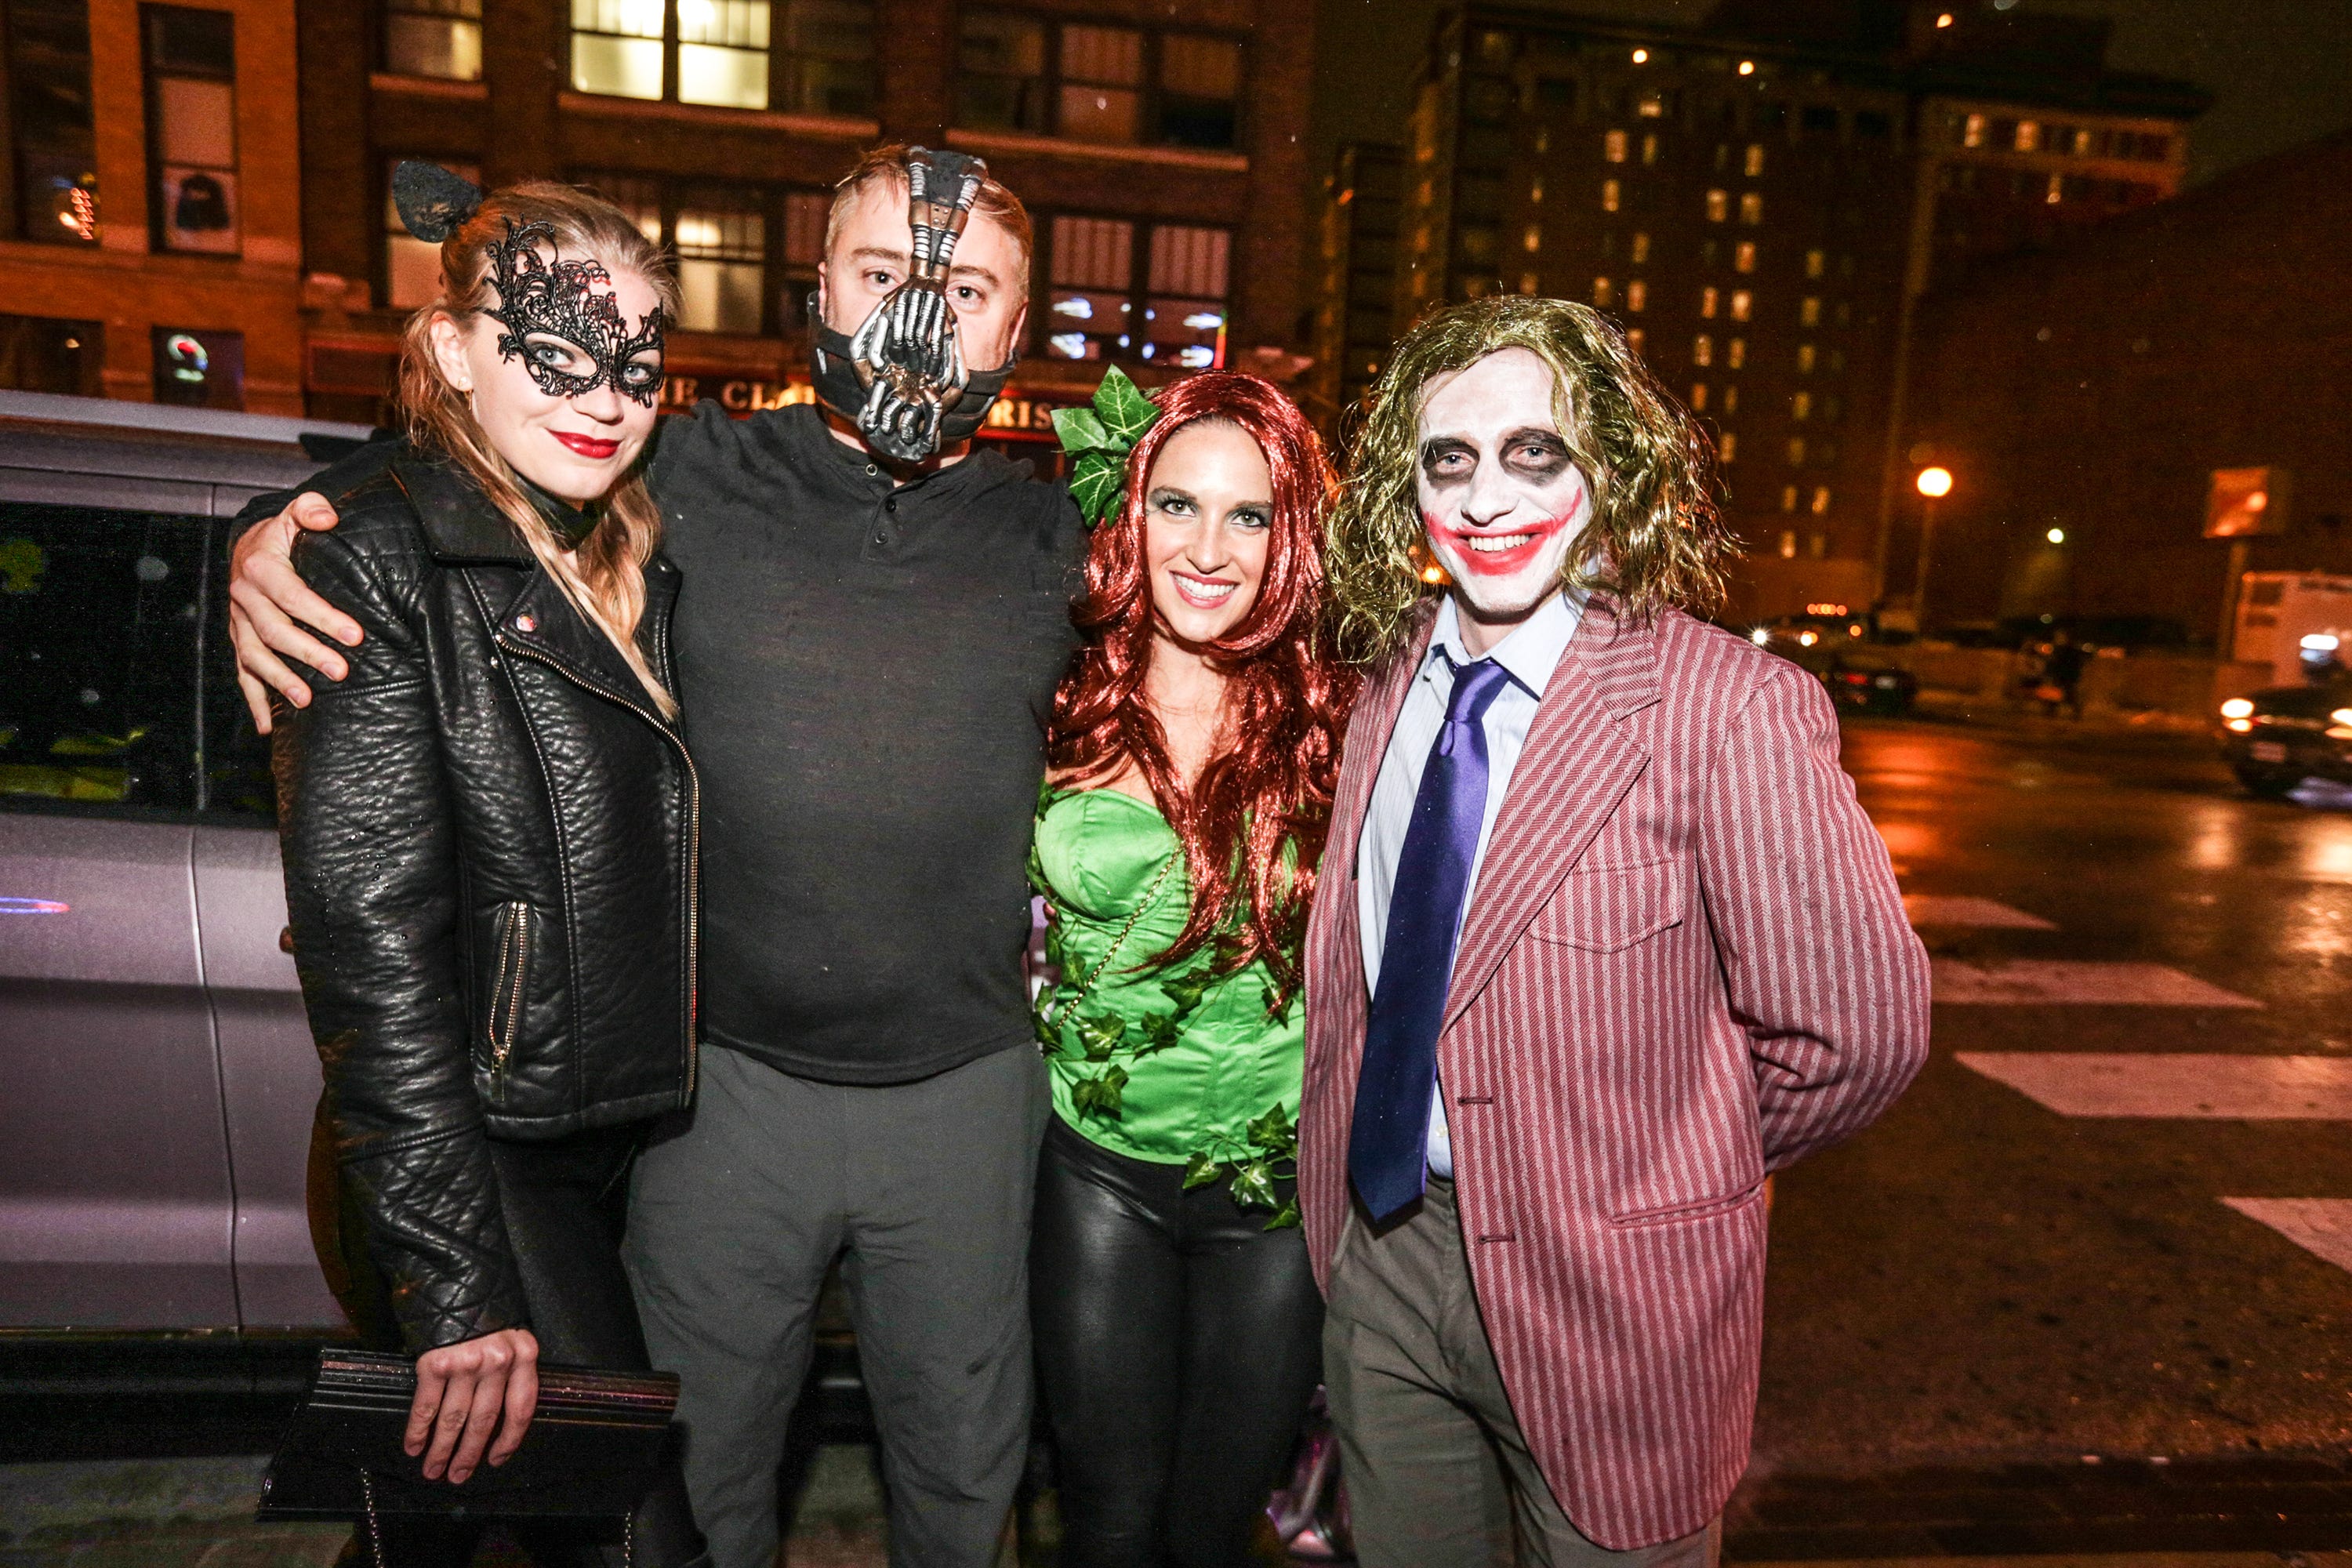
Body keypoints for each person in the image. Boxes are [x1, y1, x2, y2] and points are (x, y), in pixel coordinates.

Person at [227, 147, 1083, 1568]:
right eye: (880, 277)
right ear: (817, 288)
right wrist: (272, 548)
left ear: (1017, 327)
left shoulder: (1065, 534)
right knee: (691, 1472)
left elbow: (1247, 602)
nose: (919, 323)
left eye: (969, 289)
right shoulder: (674, 469)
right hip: (716, 1090)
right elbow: (457, 479)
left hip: (971, 1095)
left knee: (967, 1471)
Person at [1300, 295, 1933, 1568]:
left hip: (1618, 1314)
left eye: (1536, 451)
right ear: (1403, 491)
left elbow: (1858, 1037)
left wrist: (1655, 1173)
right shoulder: (1383, 685)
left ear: (1610, 471)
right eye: (1450, 459)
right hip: (1381, 1265)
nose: (1488, 497)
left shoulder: (1728, 706)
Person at [270, 169, 706, 1566]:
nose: (606, 395)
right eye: (559, 354)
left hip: (580, 1144)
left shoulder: (623, 552)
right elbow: (372, 955)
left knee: (434, 1529)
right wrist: (453, 1285)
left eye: (637, 362)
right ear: (455, 350)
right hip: (477, 1157)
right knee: (635, 1533)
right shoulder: (374, 555)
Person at [1029, 371, 1357, 1567]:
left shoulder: (1340, 719)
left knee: (1216, 1535)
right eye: (1178, 505)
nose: (1208, 548)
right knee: (1107, 1531)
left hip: (1275, 1200)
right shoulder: (1056, 694)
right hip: (1098, 1178)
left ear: (1291, 538)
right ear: (1130, 514)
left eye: (1249, 515)